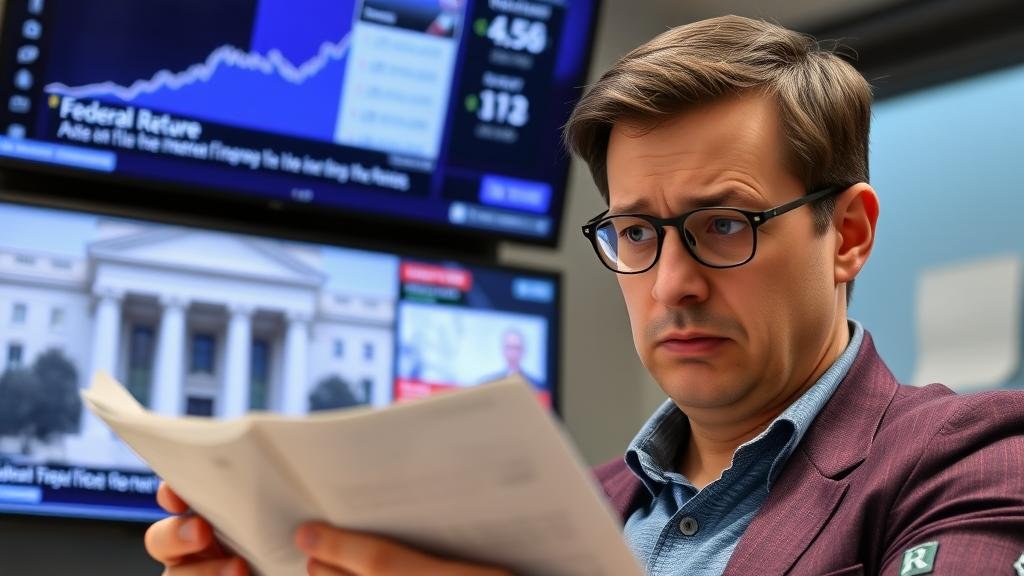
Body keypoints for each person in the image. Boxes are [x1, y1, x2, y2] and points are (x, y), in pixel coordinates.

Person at [144, 15, 1024, 576]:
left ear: (851, 235)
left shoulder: (967, 463)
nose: (672, 284)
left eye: (724, 225)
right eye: (637, 233)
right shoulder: (569, 513)